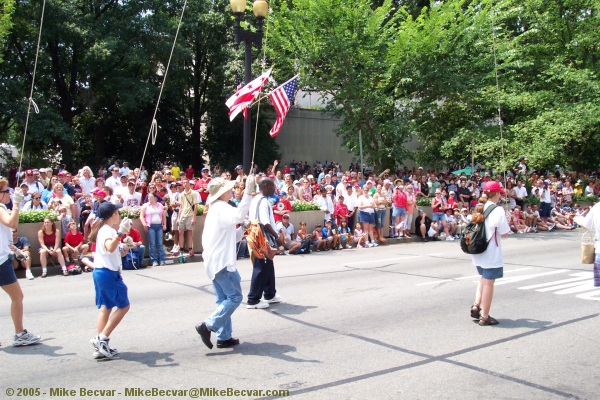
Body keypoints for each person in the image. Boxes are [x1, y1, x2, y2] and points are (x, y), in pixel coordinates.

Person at [195, 175, 255, 350]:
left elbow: (231, 236)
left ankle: (224, 336)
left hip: (215, 262)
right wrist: (248, 193)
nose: (231, 190)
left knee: (223, 299)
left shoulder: (218, 208)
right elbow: (238, 215)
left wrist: (242, 229)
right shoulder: (221, 208)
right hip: (222, 263)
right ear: (221, 193)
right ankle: (208, 325)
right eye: (228, 188)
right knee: (235, 297)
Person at [89, 202, 132, 359]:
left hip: (101, 272)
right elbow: (109, 247)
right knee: (124, 306)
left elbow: (116, 252)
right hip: (107, 274)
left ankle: (101, 346)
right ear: (112, 215)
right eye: (117, 212)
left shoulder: (105, 230)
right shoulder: (107, 230)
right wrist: (120, 233)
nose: (119, 214)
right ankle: (102, 338)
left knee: (106, 308)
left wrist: (125, 245)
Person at [0, 181, 41, 346]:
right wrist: (16, 203)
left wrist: (16, 252)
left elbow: (4, 238)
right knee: (17, 296)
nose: (9, 193)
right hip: (1, 262)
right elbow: (12, 223)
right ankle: (19, 334)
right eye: (6, 191)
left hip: (4, 256)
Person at [470, 181, 511, 326]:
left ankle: (476, 305)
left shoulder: (479, 207)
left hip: (477, 251)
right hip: (490, 252)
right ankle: (484, 316)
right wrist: (508, 220)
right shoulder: (498, 210)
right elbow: (504, 233)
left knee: (483, 279)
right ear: (497, 194)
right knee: (488, 283)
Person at [247, 178, 281, 309]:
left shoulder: (256, 199)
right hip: (262, 235)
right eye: (272, 186)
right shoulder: (263, 201)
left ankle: (270, 294)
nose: (274, 189)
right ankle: (253, 299)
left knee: (268, 264)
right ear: (265, 186)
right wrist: (276, 236)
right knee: (261, 266)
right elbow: (265, 222)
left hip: (256, 234)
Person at [140, 192, 166, 266]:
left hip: (159, 226)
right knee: (152, 243)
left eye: (151, 197)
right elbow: (141, 216)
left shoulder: (160, 205)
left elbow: (163, 215)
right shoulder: (145, 206)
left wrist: (164, 225)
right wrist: (144, 224)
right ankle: (153, 260)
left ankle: (161, 259)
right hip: (150, 226)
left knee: (160, 243)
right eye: (148, 197)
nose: (149, 199)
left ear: (155, 198)